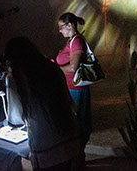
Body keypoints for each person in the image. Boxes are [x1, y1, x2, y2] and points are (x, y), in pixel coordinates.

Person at [5, 37, 80, 171]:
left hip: (46, 148)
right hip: (68, 140)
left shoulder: (16, 77)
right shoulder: (51, 67)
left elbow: (16, 119)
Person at [56, 12, 92, 164]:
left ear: (69, 25)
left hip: (75, 90)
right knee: (77, 123)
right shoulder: (73, 41)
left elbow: (72, 67)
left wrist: (54, 67)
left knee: (76, 124)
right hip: (73, 88)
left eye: (61, 27)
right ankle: (77, 158)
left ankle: (77, 159)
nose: (60, 31)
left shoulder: (76, 42)